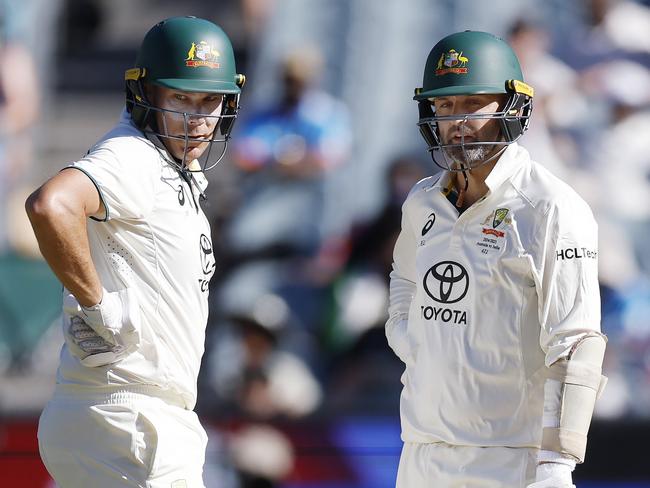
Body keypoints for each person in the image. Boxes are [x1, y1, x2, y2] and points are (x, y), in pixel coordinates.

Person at [25, 16, 245, 487]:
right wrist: (96, 302)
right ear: (146, 96)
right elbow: (51, 205)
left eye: (210, 100)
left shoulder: (170, 170)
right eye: (181, 98)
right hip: (134, 421)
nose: (198, 116)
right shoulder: (135, 157)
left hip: (119, 417)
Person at [386, 30, 607, 488]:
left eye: (472, 105)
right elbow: (405, 280)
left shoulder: (550, 207)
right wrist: (412, 340)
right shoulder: (422, 202)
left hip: (511, 461)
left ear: (512, 108)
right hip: (421, 454)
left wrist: (556, 465)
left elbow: (576, 344)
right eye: (444, 107)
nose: (457, 121)